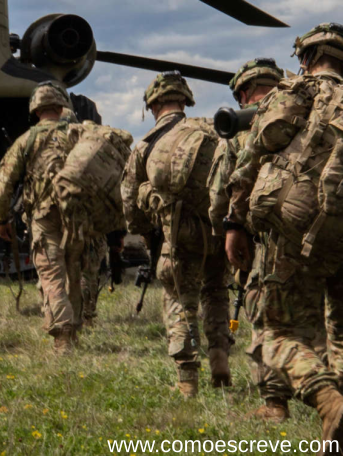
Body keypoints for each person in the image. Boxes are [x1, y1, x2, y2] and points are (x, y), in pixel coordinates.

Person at [225, 23, 343, 449]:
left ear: (306, 58)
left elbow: (251, 159)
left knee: (275, 331)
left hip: (292, 227)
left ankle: (329, 401)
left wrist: (235, 225)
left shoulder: (294, 93)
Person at [121, 71, 231, 398]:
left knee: (182, 303)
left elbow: (129, 199)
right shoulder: (211, 130)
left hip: (178, 236)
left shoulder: (147, 144)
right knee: (217, 292)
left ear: (153, 105)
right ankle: (220, 358)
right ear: (184, 101)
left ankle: (187, 380)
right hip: (218, 230)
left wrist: (144, 234)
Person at [208, 58, 297, 421]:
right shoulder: (308, 114)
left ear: (243, 93)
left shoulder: (244, 127)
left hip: (266, 240)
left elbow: (219, 193)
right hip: (320, 233)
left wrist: (227, 231)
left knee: (266, 315)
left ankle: (275, 403)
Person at [0, 81, 83, 353]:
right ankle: (74, 328)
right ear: (61, 106)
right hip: (78, 215)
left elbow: (4, 184)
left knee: (51, 273)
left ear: (35, 110)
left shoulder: (27, 140)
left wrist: (1, 218)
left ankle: (63, 335)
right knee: (74, 273)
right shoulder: (80, 134)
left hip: (44, 216)